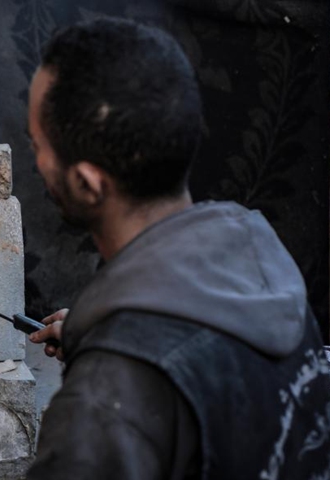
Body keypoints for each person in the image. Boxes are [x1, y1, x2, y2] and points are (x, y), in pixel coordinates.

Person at [26, 17, 330, 480]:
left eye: (38, 144)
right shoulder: (266, 270)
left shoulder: (98, 409)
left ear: (87, 184)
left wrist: (117, 366)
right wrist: (111, 336)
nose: (35, 159)